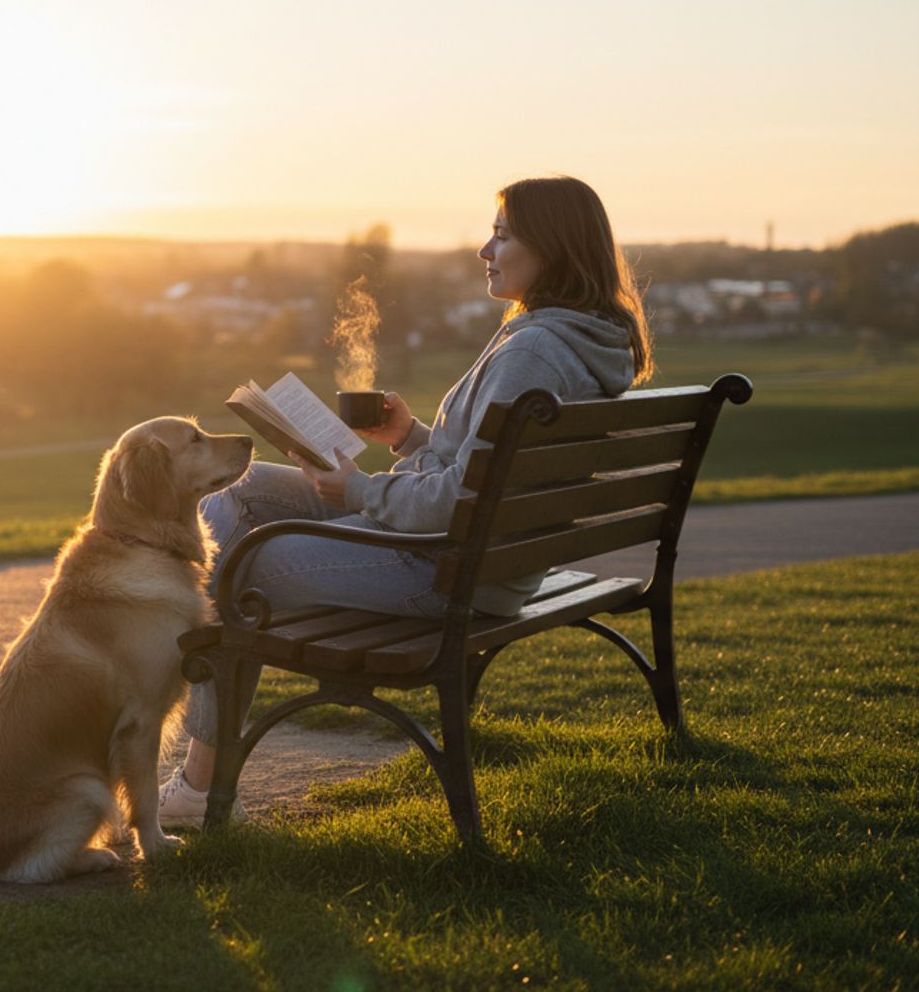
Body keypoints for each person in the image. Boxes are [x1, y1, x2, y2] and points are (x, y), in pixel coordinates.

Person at [158, 175, 656, 827]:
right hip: (472, 556)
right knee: (242, 493)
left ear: (553, 248)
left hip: (443, 572)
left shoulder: (534, 349)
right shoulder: (571, 337)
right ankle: (197, 779)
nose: (485, 248)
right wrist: (410, 437)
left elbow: (457, 501)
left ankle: (198, 786)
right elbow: (483, 473)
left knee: (234, 564)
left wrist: (359, 489)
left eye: (502, 235)